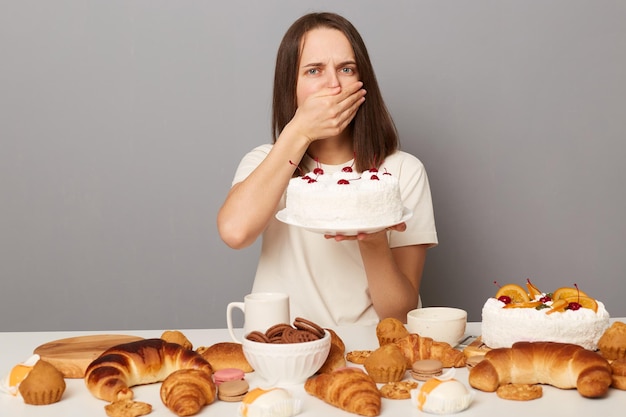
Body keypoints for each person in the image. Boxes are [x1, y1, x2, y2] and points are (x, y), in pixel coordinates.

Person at [217, 12, 437, 327]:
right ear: (290, 87)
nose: (333, 85)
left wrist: (373, 237)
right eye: (313, 71)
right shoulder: (265, 161)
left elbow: (399, 314)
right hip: (281, 345)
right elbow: (235, 232)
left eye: (346, 69)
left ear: (364, 83)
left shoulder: (403, 171)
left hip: (365, 350)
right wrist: (299, 132)